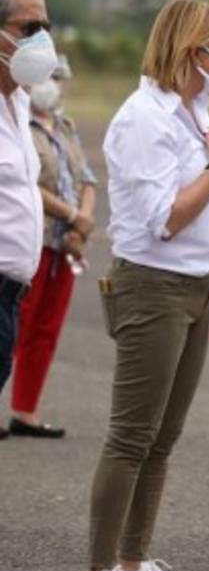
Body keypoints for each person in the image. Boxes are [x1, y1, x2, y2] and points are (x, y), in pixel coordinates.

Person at [78, 0, 209, 571]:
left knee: (162, 438)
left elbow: (204, 223)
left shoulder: (192, 111)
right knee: (130, 437)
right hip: (151, 285)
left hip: (196, 284)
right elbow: (164, 220)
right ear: (189, 49)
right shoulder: (142, 118)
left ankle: (134, 564)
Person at [11, 55, 99, 438]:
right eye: (51, 77)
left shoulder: (65, 126)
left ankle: (25, 411)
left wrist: (82, 221)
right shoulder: (18, 125)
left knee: (46, 327)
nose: (56, 85)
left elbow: (87, 178)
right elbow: (26, 182)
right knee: (17, 323)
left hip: (66, 242)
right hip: (35, 237)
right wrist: (72, 214)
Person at [0, 0, 58, 442]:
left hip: (11, 295)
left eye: (46, 28)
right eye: (28, 28)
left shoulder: (18, 102)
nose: (41, 41)